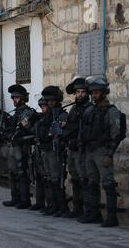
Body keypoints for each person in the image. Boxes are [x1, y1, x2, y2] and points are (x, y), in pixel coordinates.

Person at [80, 75, 122, 227]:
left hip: (102, 151)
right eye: (92, 93)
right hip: (89, 151)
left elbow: (116, 135)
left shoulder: (111, 111)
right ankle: (93, 213)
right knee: (91, 183)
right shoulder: (89, 110)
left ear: (104, 93)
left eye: (97, 92)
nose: (94, 95)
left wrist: (109, 154)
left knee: (108, 184)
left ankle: (111, 217)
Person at [63, 76, 92, 219]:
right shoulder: (74, 108)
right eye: (78, 92)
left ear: (87, 93)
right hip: (73, 148)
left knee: (84, 179)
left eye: (82, 92)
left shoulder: (89, 109)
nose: (80, 94)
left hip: (84, 150)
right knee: (75, 179)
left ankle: (88, 211)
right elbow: (70, 126)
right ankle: (77, 208)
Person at [3, 84, 36, 209]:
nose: (14, 100)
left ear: (23, 98)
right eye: (13, 98)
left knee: (22, 173)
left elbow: (29, 130)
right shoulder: (16, 113)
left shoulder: (27, 112)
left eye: (16, 98)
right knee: (13, 173)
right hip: (14, 146)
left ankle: (24, 199)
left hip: (22, 147)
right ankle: (15, 198)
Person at [39, 86, 69, 217]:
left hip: (55, 151)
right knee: (49, 179)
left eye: (52, 100)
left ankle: (62, 207)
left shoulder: (61, 115)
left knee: (57, 180)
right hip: (46, 149)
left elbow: (58, 133)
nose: (50, 103)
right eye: (48, 101)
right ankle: (52, 205)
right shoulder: (46, 116)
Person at [29, 98, 50, 212]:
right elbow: (33, 131)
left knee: (49, 177)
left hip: (48, 150)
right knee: (39, 177)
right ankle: (40, 202)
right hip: (38, 150)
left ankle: (51, 204)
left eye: (45, 106)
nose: (43, 109)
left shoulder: (51, 119)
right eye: (41, 107)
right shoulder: (40, 119)